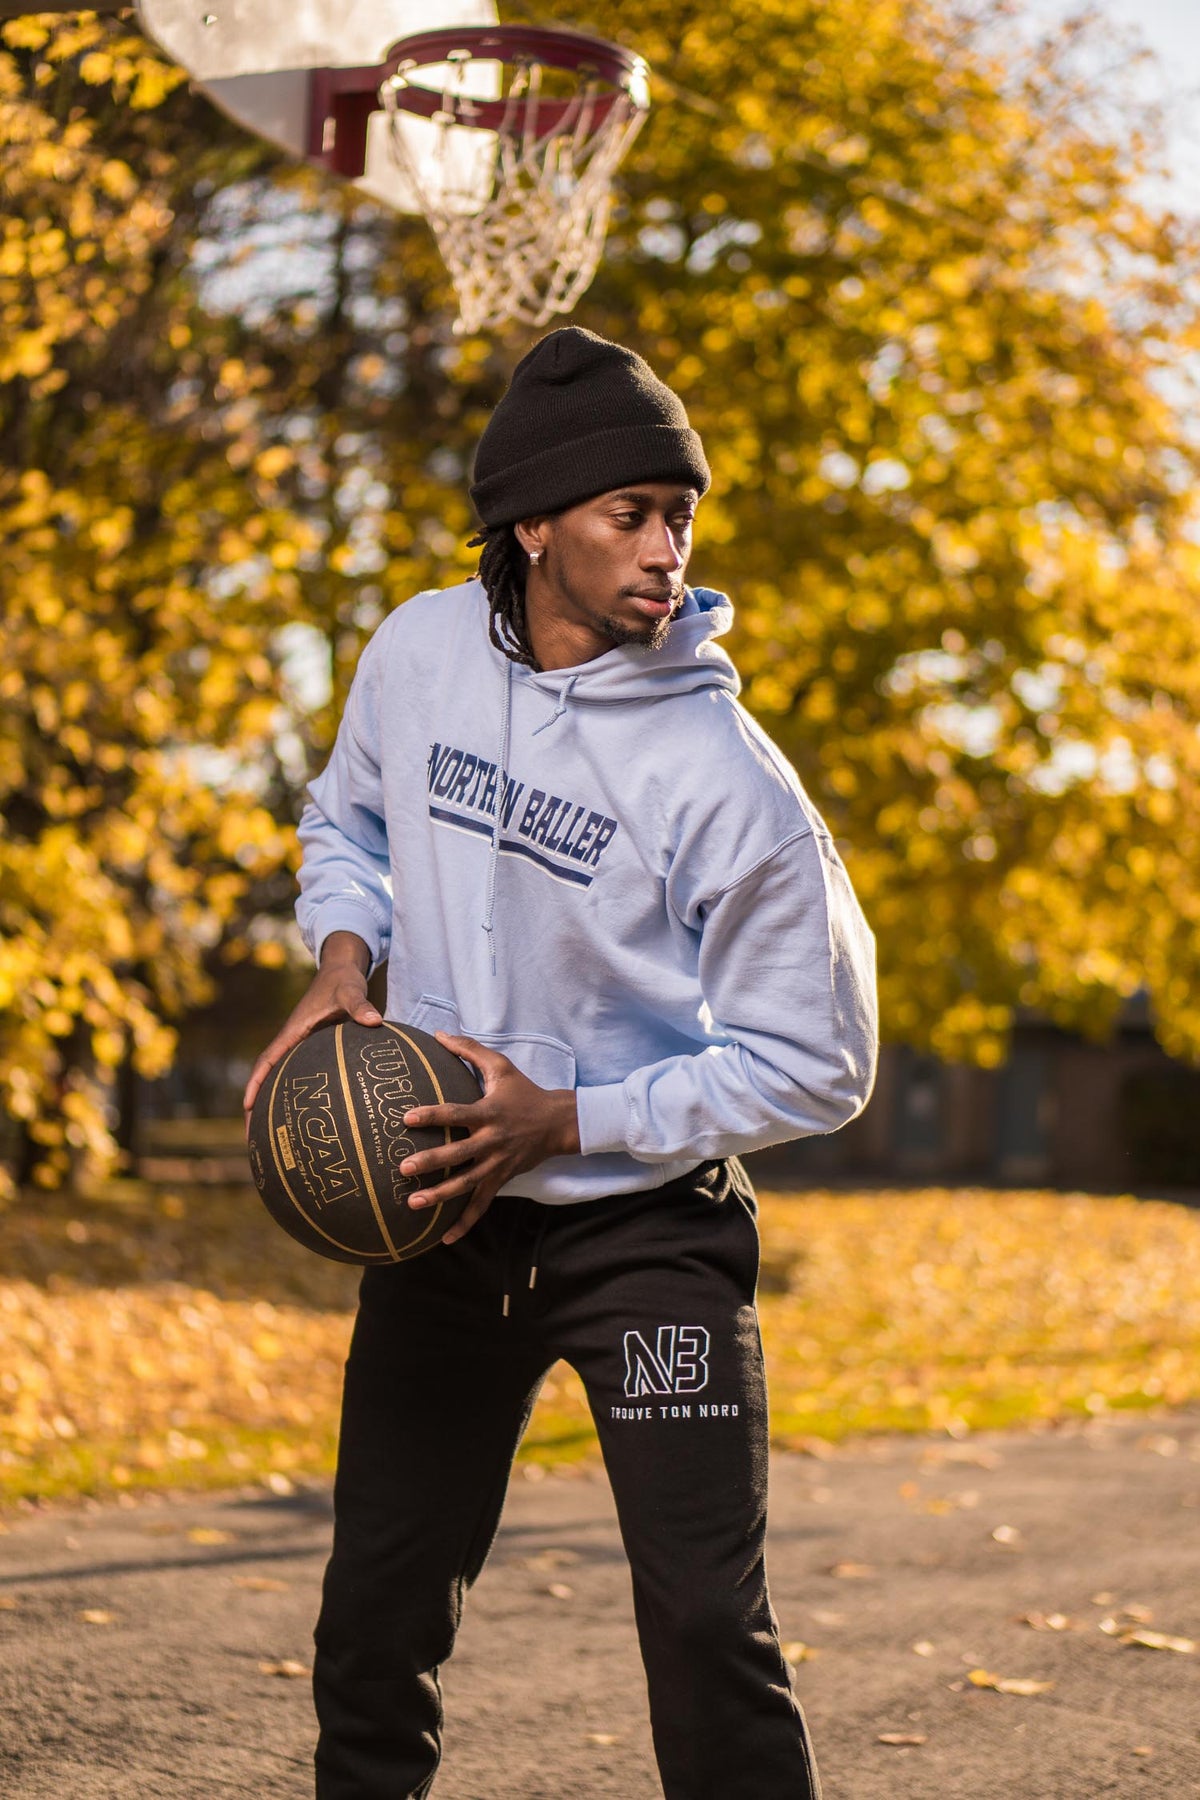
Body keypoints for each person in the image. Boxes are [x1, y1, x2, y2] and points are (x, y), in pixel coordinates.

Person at [244, 326, 878, 1800]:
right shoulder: (416, 654)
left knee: (707, 1624)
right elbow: (346, 822)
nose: (668, 549)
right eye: (629, 513)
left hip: (644, 1233)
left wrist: (571, 1118)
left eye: (681, 515)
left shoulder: (727, 782)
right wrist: (343, 954)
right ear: (533, 525)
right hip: (445, 1221)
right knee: (375, 1619)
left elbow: (822, 1059)